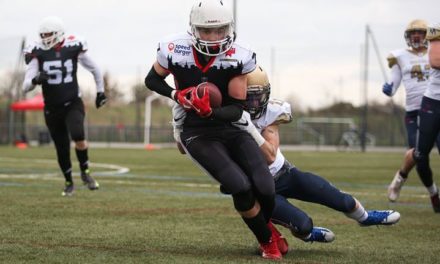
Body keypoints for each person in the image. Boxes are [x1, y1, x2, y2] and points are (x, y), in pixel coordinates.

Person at [172, 66, 401, 252]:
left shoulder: (271, 112)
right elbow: (185, 148)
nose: (253, 104)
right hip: (257, 189)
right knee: (303, 226)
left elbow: (270, 156)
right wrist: (178, 125)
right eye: (248, 98)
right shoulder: (222, 117)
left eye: (257, 97)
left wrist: (249, 128)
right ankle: (305, 233)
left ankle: (364, 216)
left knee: (341, 200)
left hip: (284, 174)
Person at [144, 0, 283, 260]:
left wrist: (212, 111)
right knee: (240, 186)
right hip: (196, 131)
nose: (213, 36)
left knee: (265, 187)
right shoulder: (174, 48)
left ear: (228, 28)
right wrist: (177, 95)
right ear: (194, 30)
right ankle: (267, 241)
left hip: (230, 125)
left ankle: (267, 229)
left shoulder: (240, 54)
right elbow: (151, 79)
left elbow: (238, 107)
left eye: (219, 30)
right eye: (206, 31)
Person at [22, 16, 107, 197]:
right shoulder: (37, 51)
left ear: (59, 34)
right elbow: (25, 85)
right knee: (61, 147)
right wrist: (35, 80)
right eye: (42, 35)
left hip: (72, 102)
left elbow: (95, 69)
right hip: (51, 107)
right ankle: (69, 182)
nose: (45, 38)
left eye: (49, 35)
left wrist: (100, 92)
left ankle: (86, 173)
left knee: (78, 135)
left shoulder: (73, 47)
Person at [382, 19, 440, 202]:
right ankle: (432, 192)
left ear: (427, 35)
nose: (416, 36)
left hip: (434, 104)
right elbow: (393, 85)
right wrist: (388, 88)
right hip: (416, 111)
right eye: (413, 32)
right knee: (419, 155)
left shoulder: (433, 50)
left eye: (420, 32)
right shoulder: (399, 56)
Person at [413, 22, 440, 213]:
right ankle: (433, 193)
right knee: (420, 155)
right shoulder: (437, 27)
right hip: (434, 101)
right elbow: (436, 60)